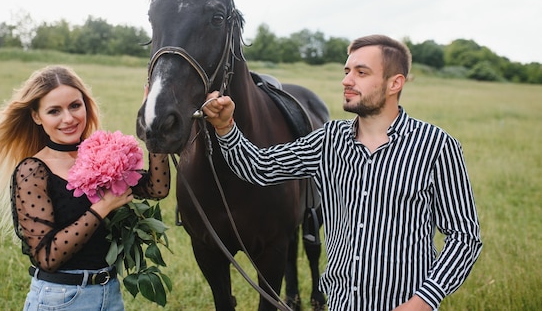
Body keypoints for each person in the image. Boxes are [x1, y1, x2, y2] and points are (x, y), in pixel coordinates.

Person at [202, 35, 482, 311]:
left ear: (395, 83)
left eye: (361, 73)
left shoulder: (436, 147)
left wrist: (422, 302)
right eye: (347, 71)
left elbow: (465, 237)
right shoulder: (329, 140)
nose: (347, 81)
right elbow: (259, 167)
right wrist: (226, 128)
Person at [0, 65, 170, 311]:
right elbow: (48, 256)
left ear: (86, 105)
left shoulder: (102, 155)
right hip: (60, 299)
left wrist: (154, 126)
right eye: (54, 111)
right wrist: (102, 207)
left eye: (74, 106)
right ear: (37, 117)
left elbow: (157, 188)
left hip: (110, 294)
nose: (69, 119)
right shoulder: (33, 171)